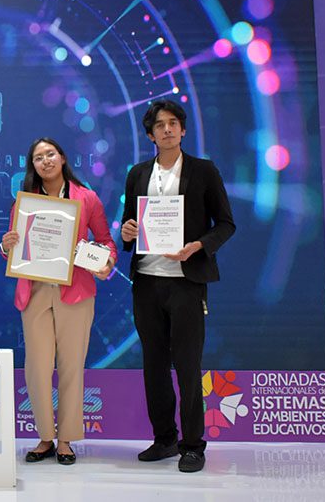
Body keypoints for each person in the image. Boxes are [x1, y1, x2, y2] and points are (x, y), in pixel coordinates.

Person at [120, 100, 235, 473]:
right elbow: (128, 225)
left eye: (173, 123)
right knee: (153, 366)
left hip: (187, 283)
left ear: (183, 130)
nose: (167, 129)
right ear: (150, 134)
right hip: (146, 282)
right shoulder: (138, 173)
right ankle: (165, 439)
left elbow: (226, 224)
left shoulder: (203, 171)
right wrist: (127, 232)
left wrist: (199, 245)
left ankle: (193, 446)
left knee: (187, 366)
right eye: (159, 125)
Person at [1, 137, 117, 465]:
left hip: (76, 291)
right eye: (38, 157)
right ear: (33, 166)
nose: (46, 161)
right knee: (37, 369)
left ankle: (65, 440)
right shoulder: (24, 203)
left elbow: (106, 241)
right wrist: (6, 246)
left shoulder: (87, 198)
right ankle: (44, 437)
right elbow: (13, 248)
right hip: (35, 291)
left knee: (71, 366)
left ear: (62, 158)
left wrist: (105, 262)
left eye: (50, 154)